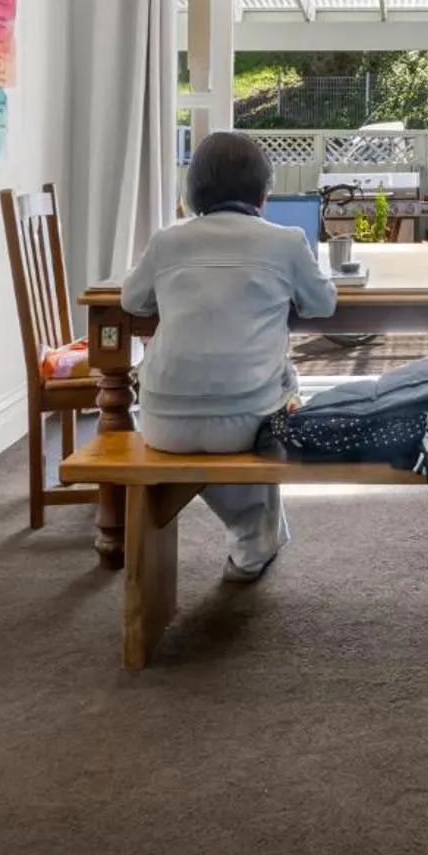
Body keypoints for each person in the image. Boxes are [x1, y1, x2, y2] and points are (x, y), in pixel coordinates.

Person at [121, 132, 336, 581]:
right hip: (246, 424)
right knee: (282, 382)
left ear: (192, 192)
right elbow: (323, 305)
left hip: (161, 422)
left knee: (258, 380)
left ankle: (257, 539)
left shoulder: (167, 242)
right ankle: (254, 541)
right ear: (264, 191)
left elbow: (132, 303)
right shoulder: (286, 241)